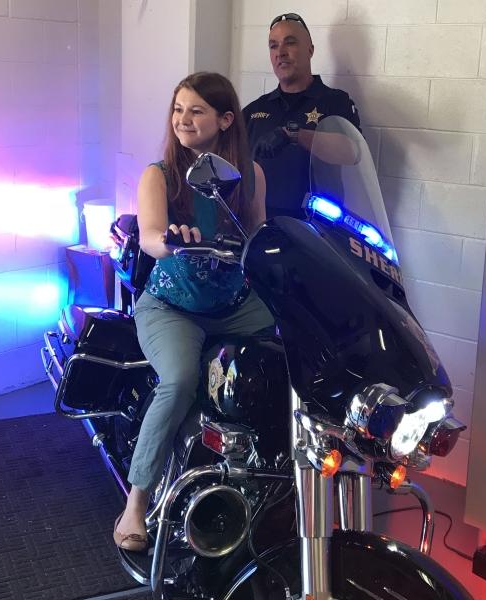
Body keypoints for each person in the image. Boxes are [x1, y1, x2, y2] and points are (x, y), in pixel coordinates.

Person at [113, 72, 274, 552]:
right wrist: (169, 241)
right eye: (178, 109)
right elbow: (149, 235)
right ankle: (136, 503)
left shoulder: (252, 175)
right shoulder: (158, 174)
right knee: (181, 379)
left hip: (234, 304)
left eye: (196, 110)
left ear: (225, 120)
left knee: (290, 351)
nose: (182, 119)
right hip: (173, 306)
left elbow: (258, 235)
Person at [243, 12, 362, 220]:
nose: (280, 52)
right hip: (262, 230)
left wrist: (293, 135)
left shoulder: (335, 102)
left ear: (310, 50)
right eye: (273, 46)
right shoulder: (253, 111)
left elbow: (352, 152)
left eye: (290, 43)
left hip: (318, 230)